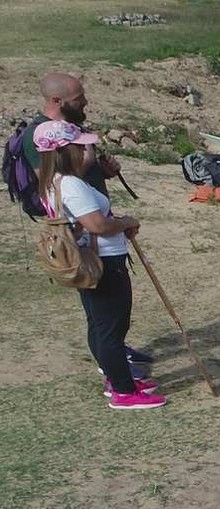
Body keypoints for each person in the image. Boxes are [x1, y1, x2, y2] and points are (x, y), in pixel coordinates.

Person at [22, 73, 153, 374]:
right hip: (87, 239)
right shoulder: (40, 137)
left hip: (92, 231)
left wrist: (102, 171)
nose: (86, 102)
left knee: (105, 316)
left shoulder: (67, 129)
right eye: (79, 99)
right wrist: (117, 220)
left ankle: (115, 354)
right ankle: (114, 366)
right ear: (57, 101)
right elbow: (57, 183)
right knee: (104, 314)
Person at [34, 121, 162, 410]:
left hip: (87, 261)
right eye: (85, 146)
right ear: (71, 152)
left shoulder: (51, 182)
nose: (90, 150)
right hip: (103, 262)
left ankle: (116, 379)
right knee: (112, 328)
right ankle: (124, 392)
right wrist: (127, 222)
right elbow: (98, 225)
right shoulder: (72, 185)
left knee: (100, 324)